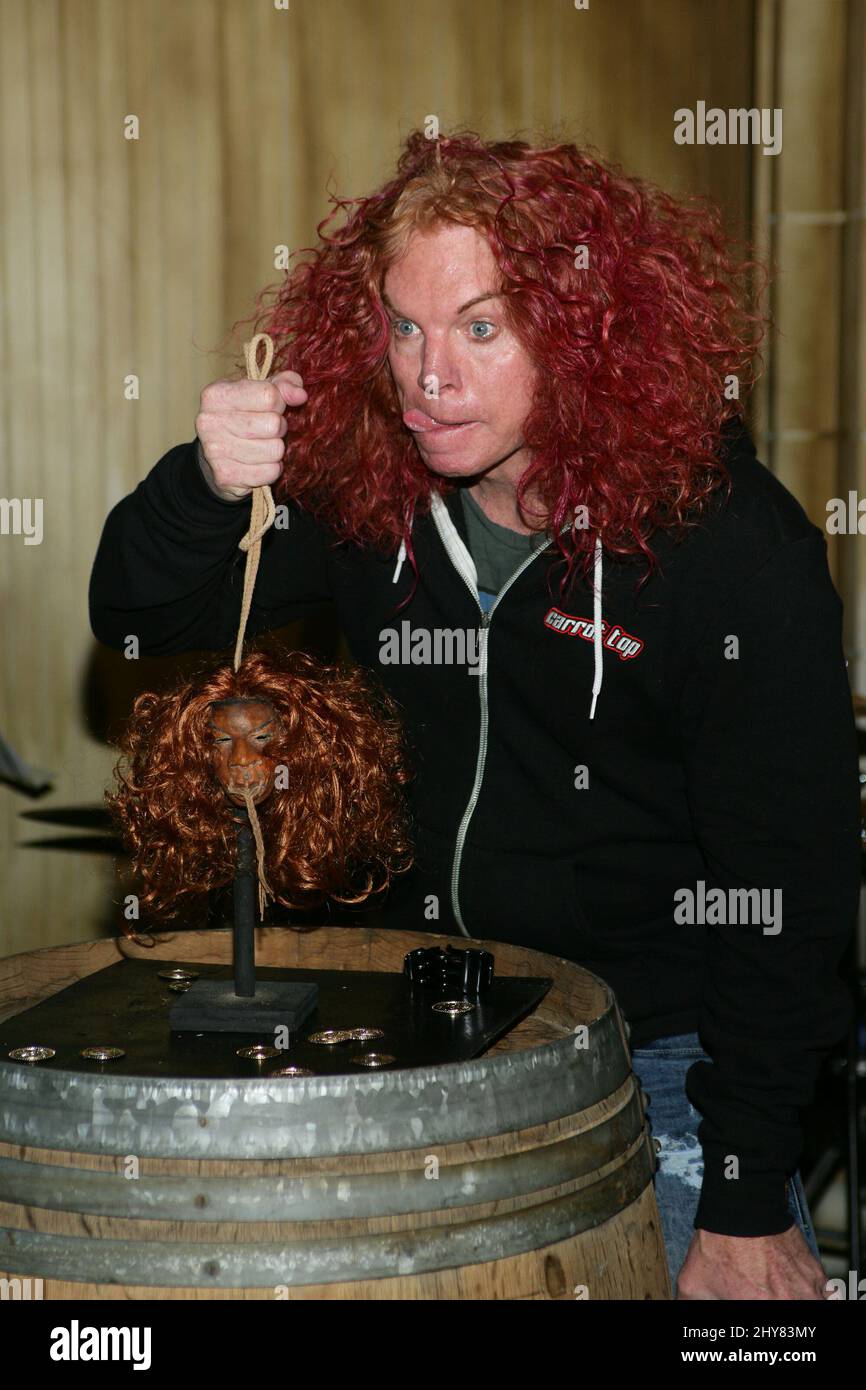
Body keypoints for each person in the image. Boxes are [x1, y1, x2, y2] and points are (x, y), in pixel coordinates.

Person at [88, 129, 862, 1299]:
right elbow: (134, 611)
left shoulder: (730, 552)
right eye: (403, 326)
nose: (426, 375)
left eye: (480, 327)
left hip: (656, 1059)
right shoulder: (370, 496)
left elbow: (788, 897)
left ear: (590, 335)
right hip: (424, 1017)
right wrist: (200, 485)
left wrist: (747, 1192)